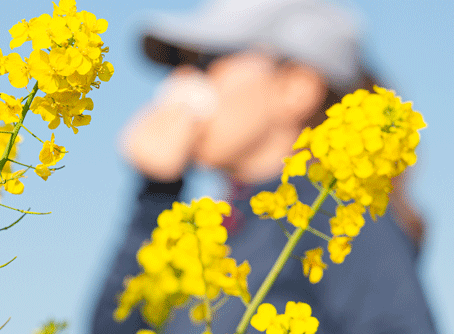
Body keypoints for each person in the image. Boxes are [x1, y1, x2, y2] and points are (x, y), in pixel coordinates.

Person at [88, 0, 437, 332]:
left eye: (206, 62)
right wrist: (156, 193)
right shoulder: (222, 227)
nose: (180, 85)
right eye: (180, 66)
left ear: (295, 88)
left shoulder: (337, 215)